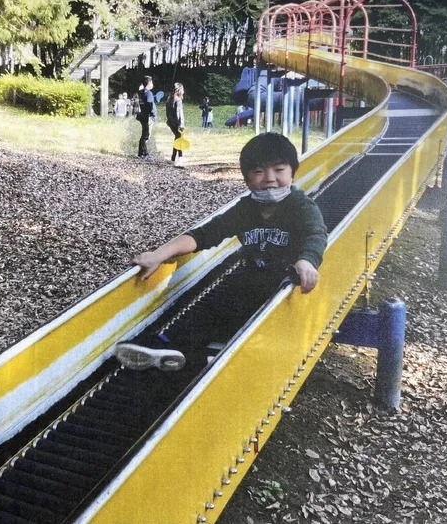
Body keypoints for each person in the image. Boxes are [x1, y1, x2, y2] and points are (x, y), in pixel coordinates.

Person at [115, 132, 328, 372]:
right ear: (247, 178)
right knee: (211, 307)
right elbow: (203, 235)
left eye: (279, 170)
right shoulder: (245, 209)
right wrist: (159, 255)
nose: (270, 179)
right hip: (250, 279)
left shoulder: (300, 206)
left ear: (292, 172)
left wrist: (307, 261)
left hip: (284, 285)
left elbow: (315, 234)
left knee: (251, 319)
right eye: (259, 172)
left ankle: (210, 357)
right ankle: (170, 349)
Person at [137, 76, 158, 159]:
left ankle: (140, 153)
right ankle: (144, 154)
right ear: (149, 83)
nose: (152, 84)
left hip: (141, 116)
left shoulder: (140, 92)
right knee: (146, 136)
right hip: (147, 117)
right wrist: (154, 116)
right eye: (151, 82)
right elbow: (150, 106)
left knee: (144, 134)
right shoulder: (148, 93)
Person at [165, 82, 186, 167]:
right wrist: (181, 124)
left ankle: (176, 158)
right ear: (179, 90)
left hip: (171, 122)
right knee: (178, 139)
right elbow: (179, 114)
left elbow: (167, 112)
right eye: (183, 89)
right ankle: (177, 158)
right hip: (177, 123)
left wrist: (169, 121)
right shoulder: (178, 100)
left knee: (178, 139)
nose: (184, 91)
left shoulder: (169, 98)